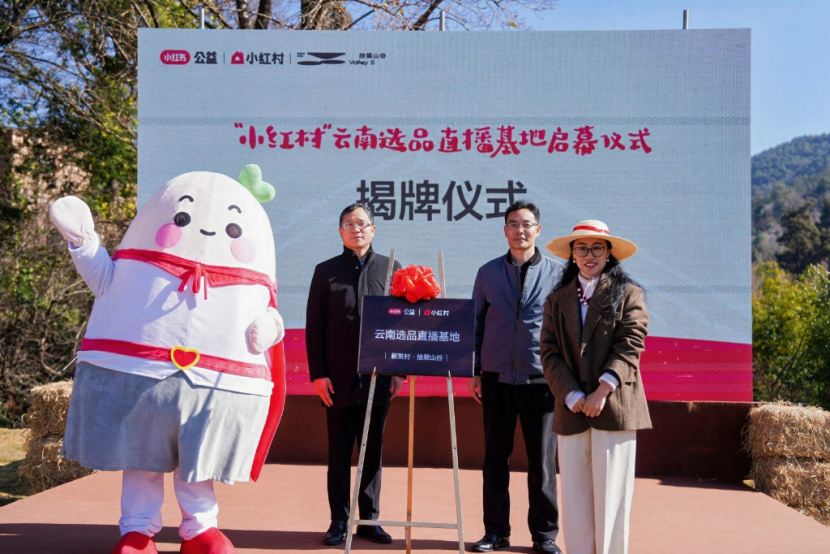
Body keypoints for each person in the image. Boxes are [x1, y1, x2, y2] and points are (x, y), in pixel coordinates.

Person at [540, 220, 652, 554]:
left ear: (609, 253)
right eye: (582, 248)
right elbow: (549, 352)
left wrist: (602, 391)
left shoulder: (629, 294)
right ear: (572, 254)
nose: (589, 255)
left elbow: (631, 344)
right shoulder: (556, 299)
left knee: (612, 496)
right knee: (574, 498)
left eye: (597, 248)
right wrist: (572, 394)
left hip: (614, 408)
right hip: (572, 409)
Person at [306, 202, 404, 546]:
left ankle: (369, 520)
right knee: (339, 453)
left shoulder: (391, 269)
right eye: (349, 223)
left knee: (372, 451)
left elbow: (400, 324)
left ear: (373, 230)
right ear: (340, 231)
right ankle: (339, 520)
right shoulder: (326, 272)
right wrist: (319, 374)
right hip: (337, 377)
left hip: (378, 377)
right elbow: (315, 326)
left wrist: (398, 373)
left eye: (362, 223)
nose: (356, 229)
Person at [468, 200, 563, 554]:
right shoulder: (487, 273)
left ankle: (544, 536)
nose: (519, 230)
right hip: (496, 379)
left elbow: (566, 329)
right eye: (512, 224)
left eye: (526, 224)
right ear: (504, 230)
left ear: (538, 230)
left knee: (542, 463)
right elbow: (476, 325)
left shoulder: (558, 274)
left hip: (541, 381)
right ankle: (496, 532)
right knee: (495, 459)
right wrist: (475, 371)